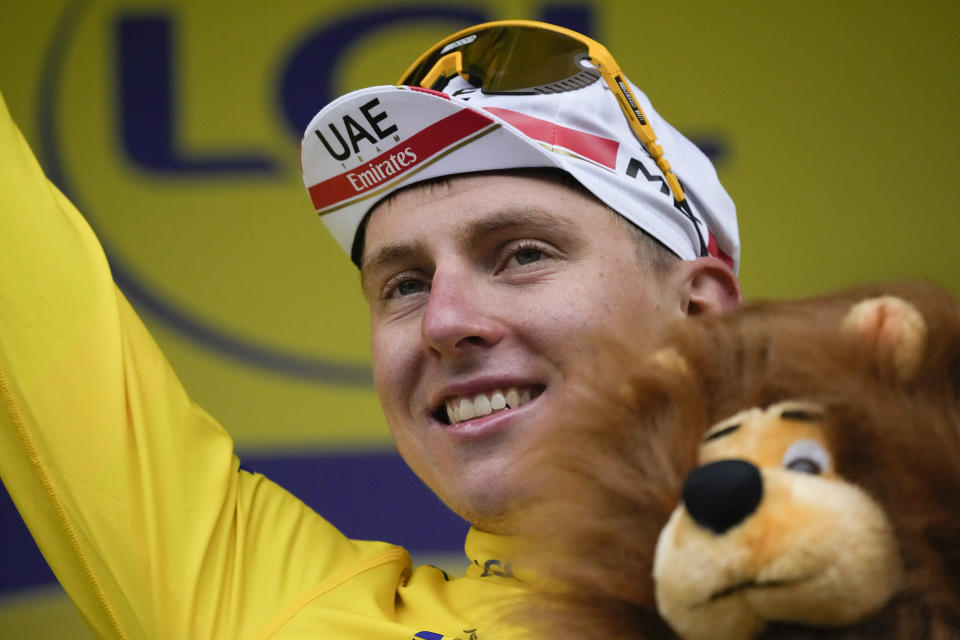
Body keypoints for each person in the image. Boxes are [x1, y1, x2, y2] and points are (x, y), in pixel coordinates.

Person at [0, 20, 740, 639]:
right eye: (405, 284)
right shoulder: (279, 619)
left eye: (521, 254)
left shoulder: (844, 584)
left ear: (699, 314)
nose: (445, 322)